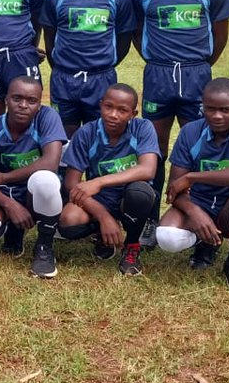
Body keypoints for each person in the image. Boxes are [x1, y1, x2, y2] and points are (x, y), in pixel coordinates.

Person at [130, 0, 229, 229]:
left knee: (199, 145)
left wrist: (200, 64)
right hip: (158, 76)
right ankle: (149, 217)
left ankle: (197, 211)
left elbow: (220, 34)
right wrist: (155, 59)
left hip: (196, 75)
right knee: (154, 148)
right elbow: (136, 33)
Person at [155, 78, 229, 293]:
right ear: (202, 106)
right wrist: (195, 213)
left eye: (225, 110)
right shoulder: (191, 132)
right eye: (210, 109)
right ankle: (205, 243)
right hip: (200, 201)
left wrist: (192, 177)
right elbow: (174, 188)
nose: (217, 116)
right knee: (167, 237)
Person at [38, 84, 158, 279]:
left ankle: (132, 246)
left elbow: (148, 169)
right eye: (108, 107)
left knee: (140, 193)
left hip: (131, 197)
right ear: (100, 105)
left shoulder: (143, 128)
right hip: (100, 199)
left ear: (133, 114)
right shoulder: (87, 132)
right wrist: (103, 217)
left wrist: (99, 181)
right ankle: (102, 234)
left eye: (122, 110)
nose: (113, 114)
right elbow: (71, 183)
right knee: (68, 221)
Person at [41, 0, 137, 136]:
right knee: (63, 141)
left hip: (101, 80)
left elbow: (123, 41)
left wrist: (100, 66)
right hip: (64, 80)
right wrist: (62, 68)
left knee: (100, 138)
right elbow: (50, 40)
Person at [0, 76, 66, 264]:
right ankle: (12, 230)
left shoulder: (47, 117)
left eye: (32, 101)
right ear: (6, 99)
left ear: (39, 104)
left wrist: (3, 177)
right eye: (17, 98)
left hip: (32, 191)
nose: (23, 105)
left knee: (46, 179)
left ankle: (44, 246)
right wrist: (10, 205)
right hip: (0, 193)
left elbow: (50, 162)